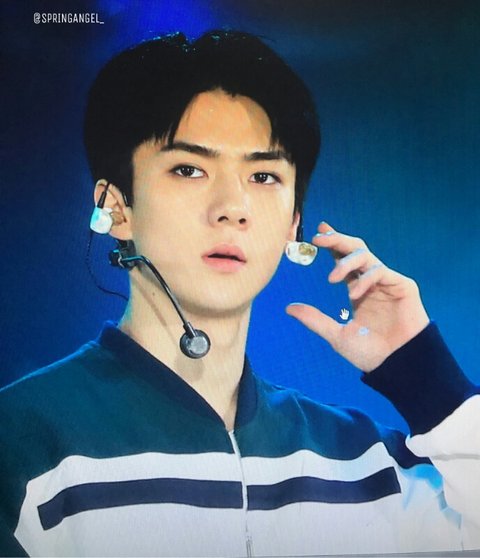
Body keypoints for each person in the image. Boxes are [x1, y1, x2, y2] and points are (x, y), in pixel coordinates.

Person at [0, 30, 478, 557]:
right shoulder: (22, 442)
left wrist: (423, 374)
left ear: (294, 222)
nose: (233, 207)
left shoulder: (366, 465)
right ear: (115, 208)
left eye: (264, 176)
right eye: (189, 169)